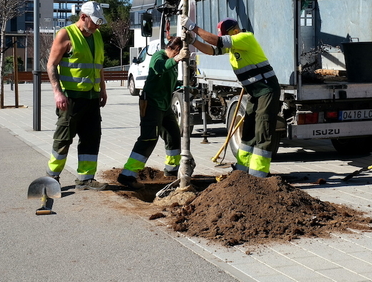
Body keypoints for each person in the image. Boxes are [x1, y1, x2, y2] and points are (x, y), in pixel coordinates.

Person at [180, 15, 281, 178]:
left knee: (263, 130)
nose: (224, 39)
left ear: (234, 31)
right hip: (255, 93)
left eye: (225, 36)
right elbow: (211, 50)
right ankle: (241, 171)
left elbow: (216, 42)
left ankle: (259, 174)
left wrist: (193, 27)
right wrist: (193, 42)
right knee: (248, 130)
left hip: (267, 90)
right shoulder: (235, 46)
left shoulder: (244, 37)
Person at [45, 1, 108, 191]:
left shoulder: (97, 36)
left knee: (91, 136)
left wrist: (103, 89)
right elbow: (51, 65)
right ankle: (52, 177)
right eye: (95, 22)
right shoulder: (66, 34)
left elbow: (98, 66)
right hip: (70, 99)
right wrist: (57, 93)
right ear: (83, 17)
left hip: (91, 98)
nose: (97, 26)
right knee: (63, 138)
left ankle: (86, 179)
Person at [117, 37, 187, 190]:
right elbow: (160, 68)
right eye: (179, 53)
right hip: (151, 104)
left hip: (164, 106)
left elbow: (170, 81)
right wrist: (176, 59)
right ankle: (128, 174)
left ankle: (171, 170)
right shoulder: (159, 56)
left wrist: (183, 86)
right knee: (149, 138)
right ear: (175, 50)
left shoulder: (173, 64)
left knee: (173, 135)